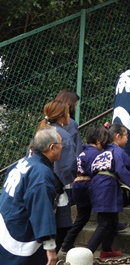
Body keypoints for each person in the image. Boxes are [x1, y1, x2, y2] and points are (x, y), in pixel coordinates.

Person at [0, 126, 62, 265]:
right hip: (17, 237)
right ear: (52, 147)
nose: (62, 147)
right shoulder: (40, 173)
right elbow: (41, 211)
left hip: (7, 222)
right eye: (61, 144)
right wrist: (50, 248)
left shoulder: (22, 163)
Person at [87, 123, 130, 258]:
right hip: (106, 187)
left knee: (111, 220)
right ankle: (86, 253)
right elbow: (122, 171)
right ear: (118, 136)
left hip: (99, 185)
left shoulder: (105, 150)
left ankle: (106, 249)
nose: (128, 139)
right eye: (126, 136)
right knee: (105, 223)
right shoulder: (118, 151)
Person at [59, 126, 107, 257]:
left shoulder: (83, 151)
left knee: (83, 216)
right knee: (104, 213)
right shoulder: (95, 154)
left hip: (77, 186)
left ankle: (67, 243)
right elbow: (96, 171)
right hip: (87, 186)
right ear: (98, 140)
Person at [36, 100, 77, 253]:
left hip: (39, 183)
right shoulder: (62, 136)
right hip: (55, 188)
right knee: (61, 227)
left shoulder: (42, 132)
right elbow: (67, 167)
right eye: (67, 112)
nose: (69, 115)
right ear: (62, 116)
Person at [55, 89, 83, 160]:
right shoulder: (70, 123)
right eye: (75, 105)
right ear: (70, 105)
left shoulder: (47, 122)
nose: (76, 108)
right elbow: (77, 151)